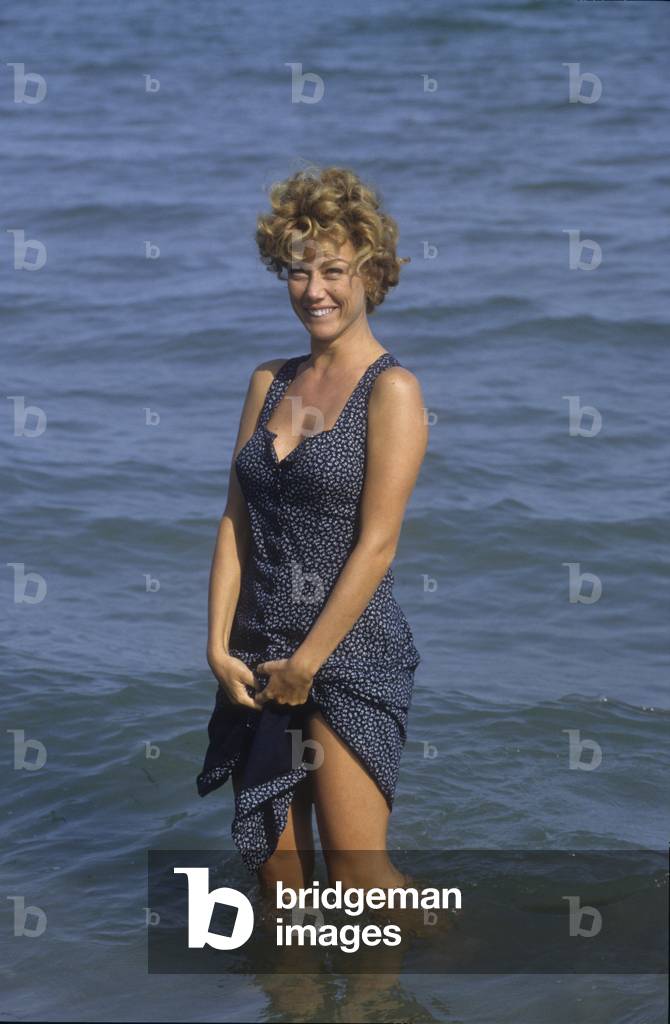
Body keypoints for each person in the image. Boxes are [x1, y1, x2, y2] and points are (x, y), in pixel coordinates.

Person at [196, 165, 428, 898]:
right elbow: (236, 517)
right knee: (279, 881)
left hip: (349, 654)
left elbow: (378, 544)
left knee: (361, 882)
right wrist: (215, 643)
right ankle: (296, 1008)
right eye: (298, 272)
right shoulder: (270, 382)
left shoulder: (391, 391)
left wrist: (310, 664)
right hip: (259, 651)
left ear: (372, 273)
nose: (314, 290)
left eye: (333, 270)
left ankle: (400, 988)